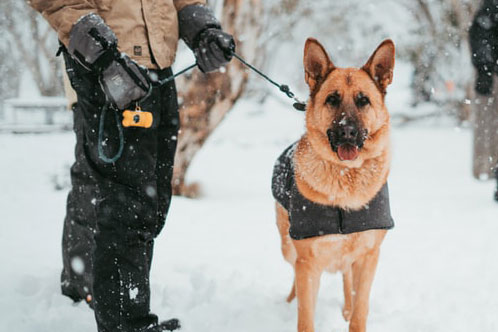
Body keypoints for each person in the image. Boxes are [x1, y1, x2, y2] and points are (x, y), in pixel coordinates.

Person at [29, 1, 235, 331]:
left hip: (158, 68)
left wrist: (204, 30)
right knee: (126, 206)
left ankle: (131, 316)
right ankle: (125, 323)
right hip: (106, 70)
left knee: (151, 205)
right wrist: (102, 53)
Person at [469, 0, 498, 202]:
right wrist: (485, 68)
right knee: (492, 133)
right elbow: (479, 36)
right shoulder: (491, 7)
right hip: (493, 78)